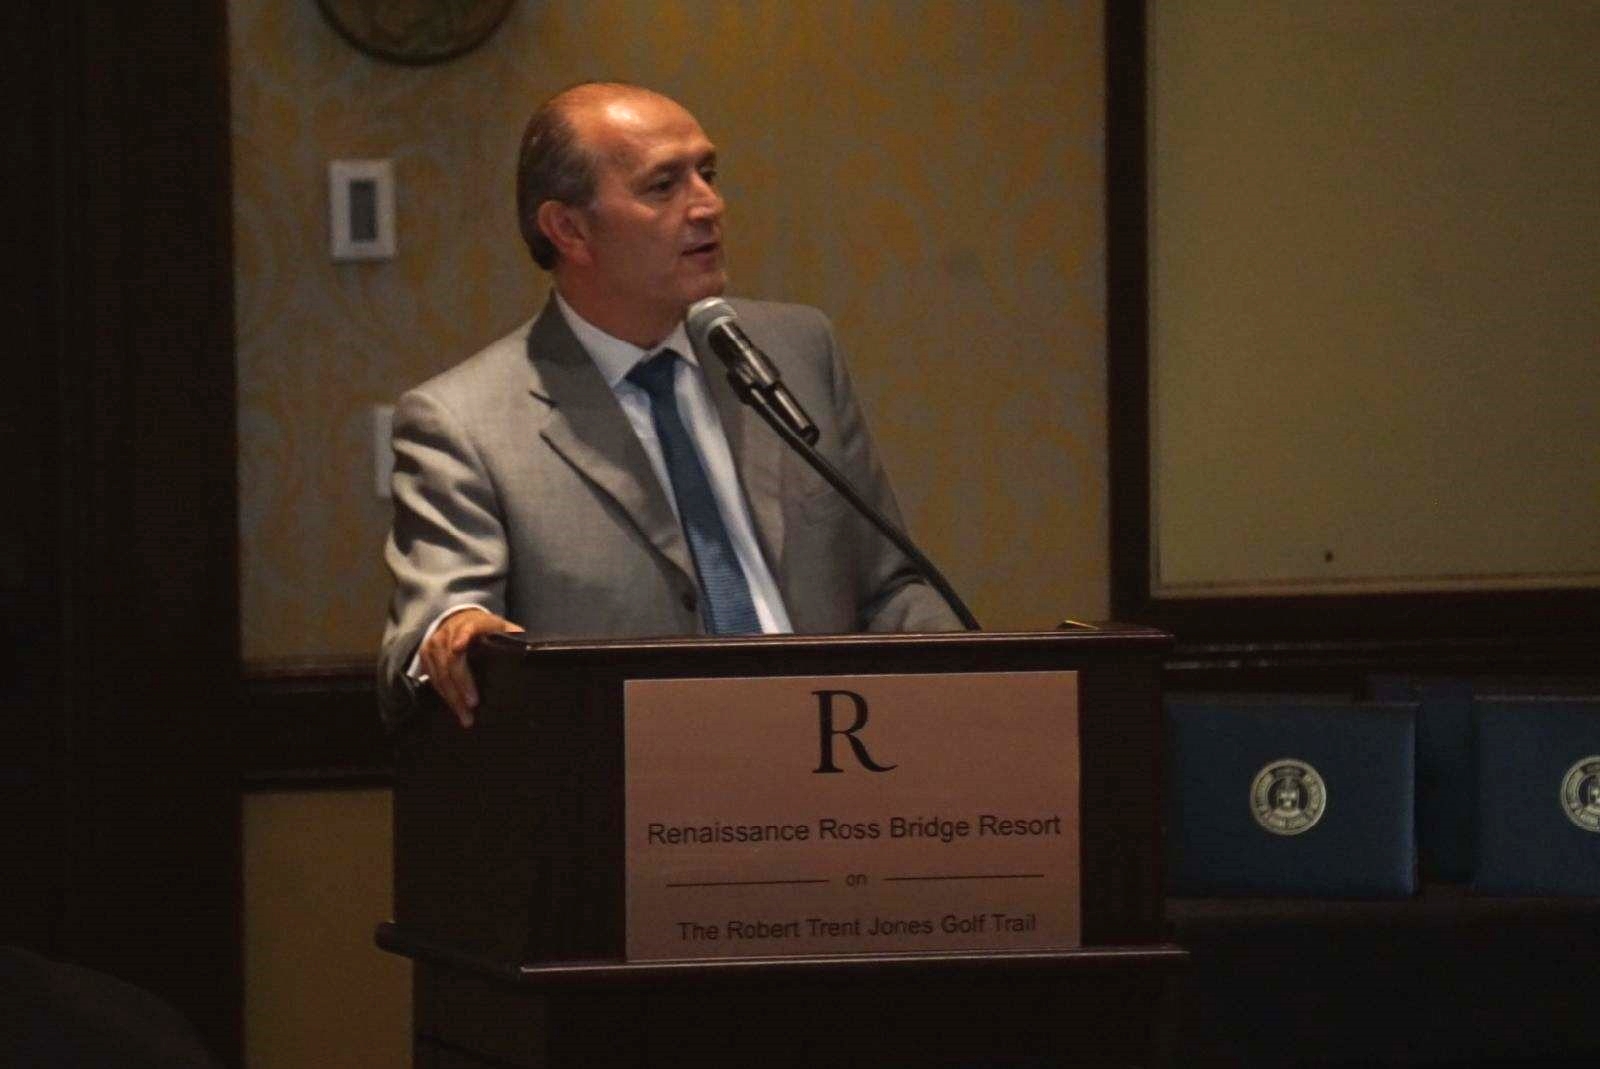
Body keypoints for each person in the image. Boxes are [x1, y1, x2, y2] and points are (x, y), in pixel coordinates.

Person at [379, 82, 960, 728]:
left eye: (707, 173)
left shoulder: (797, 350)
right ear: (569, 229)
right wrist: (456, 633)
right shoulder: (464, 422)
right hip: (634, 772)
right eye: (663, 186)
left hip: (836, 756)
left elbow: (889, 586)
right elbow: (433, 630)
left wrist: (987, 687)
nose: (709, 205)